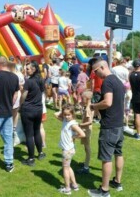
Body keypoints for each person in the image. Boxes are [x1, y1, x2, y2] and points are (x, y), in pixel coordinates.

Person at [88, 60, 125, 196]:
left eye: (95, 71)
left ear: (102, 67)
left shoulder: (108, 82)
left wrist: (94, 106)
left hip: (110, 125)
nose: (95, 74)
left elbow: (108, 102)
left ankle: (104, 190)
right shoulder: (118, 81)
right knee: (118, 153)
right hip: (119, 124)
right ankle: (117, 181)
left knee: (106, 158)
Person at [19, 61, 46, 166]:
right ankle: (40, 153)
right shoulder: (40, 79)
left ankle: (31, 159)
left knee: (29, 135)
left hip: (28, 110)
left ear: (34, 69)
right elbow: (42, 92)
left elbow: (24, 96)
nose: (26, 70)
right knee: (37, 131)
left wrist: (20, 106)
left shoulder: (29, 81)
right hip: (38, 109)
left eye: (28, 69)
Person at [54, 105, 85, 195]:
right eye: (65, 114)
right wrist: (63, 110)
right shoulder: (64, 120)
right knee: (68, 167)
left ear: (73, 114)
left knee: (65, 169)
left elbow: (82, 134)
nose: (66, 116)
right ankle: (74, 185)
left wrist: (74, 136)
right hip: (68, 149)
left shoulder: (72, 124)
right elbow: (55, 114)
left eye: (69, 114)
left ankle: (67, 188)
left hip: (67, 150)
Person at [77, 91, 94, 174]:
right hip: (86, 129)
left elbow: (90, 121)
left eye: (82, 98)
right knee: (86, 148)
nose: (81, 99)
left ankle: (86, 167)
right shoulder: (88, 106)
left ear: (87, 99)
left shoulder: (88, 109)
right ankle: (86, 163)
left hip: (86, 130)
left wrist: (80, 124)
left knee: (87, 148)